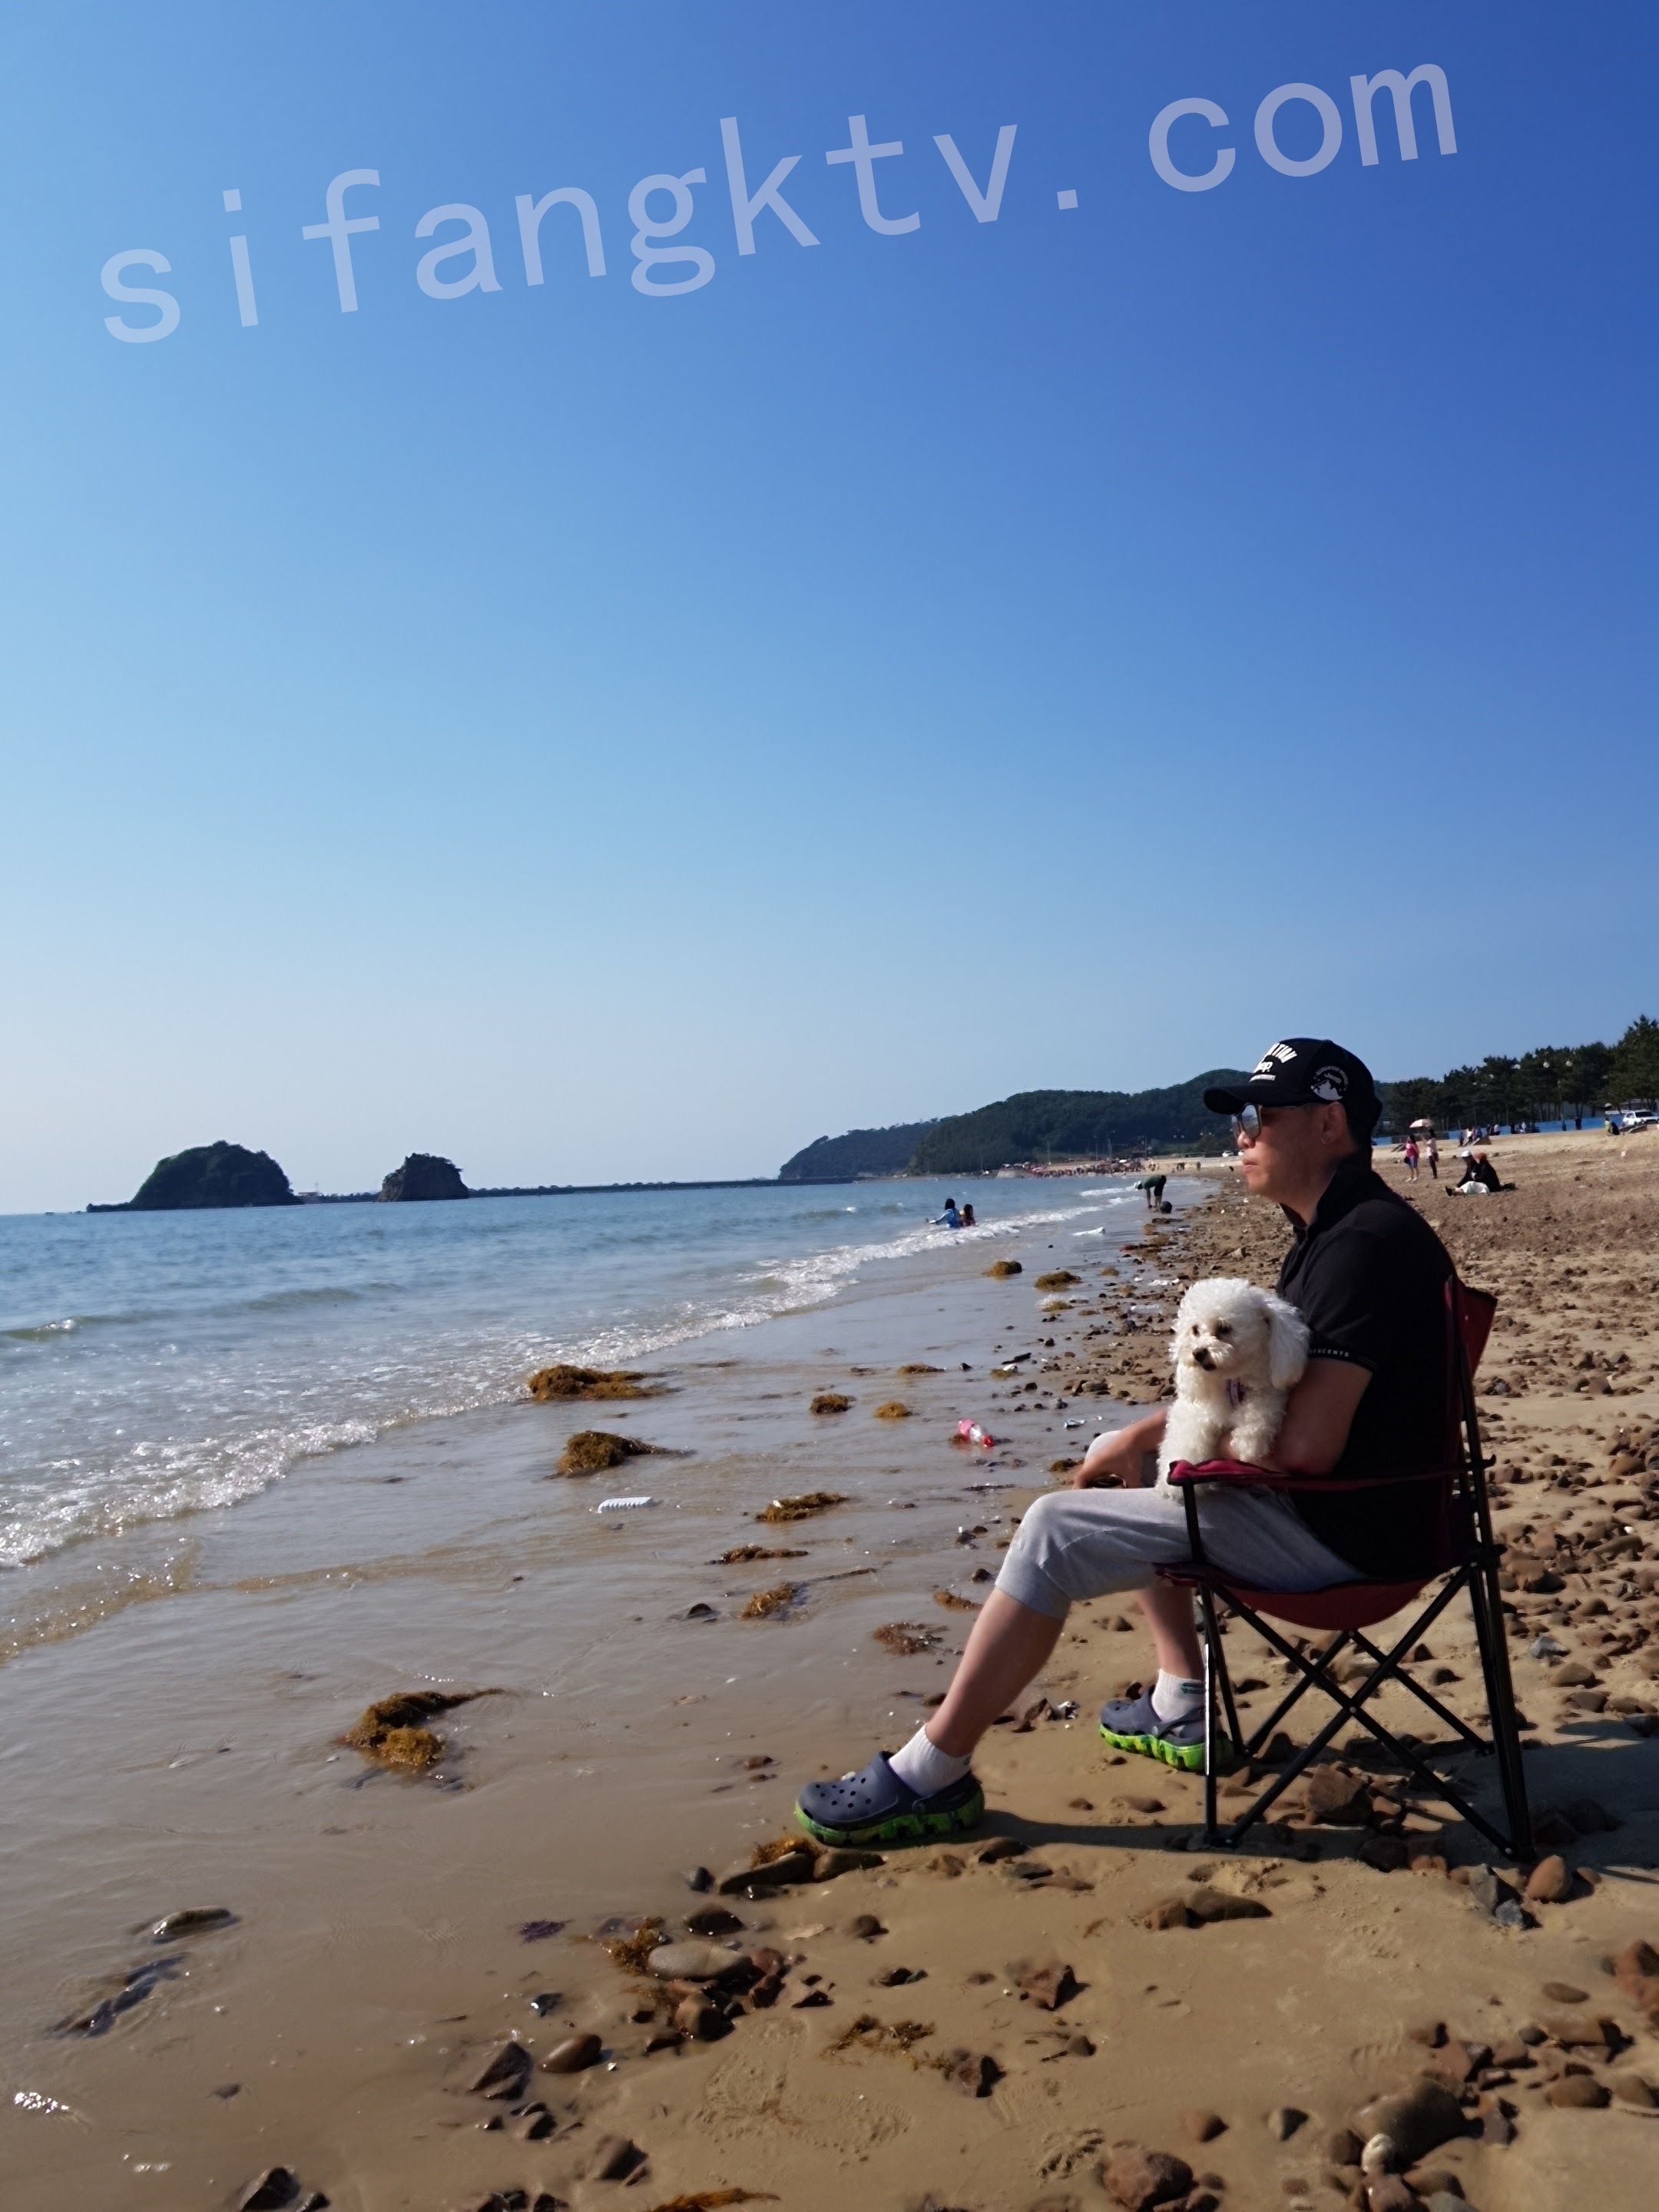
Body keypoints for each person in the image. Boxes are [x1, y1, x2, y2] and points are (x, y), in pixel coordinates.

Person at [795, 1038, 1456, 1844]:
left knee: (1053, 1528)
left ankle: (928, 1777)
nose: (1242, 1135)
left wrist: (1187, 1460)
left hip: (1346, 1535)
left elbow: (1305, 1449)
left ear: (1328, 1124)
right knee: (1143, 1454)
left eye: (1260, 1118)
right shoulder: (1344, 1231)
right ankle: (1181, 1698)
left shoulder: (1360, 1247)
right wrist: (1146, 1437)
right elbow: (1280, 1397)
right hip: (1381, 1516)